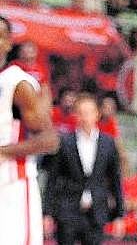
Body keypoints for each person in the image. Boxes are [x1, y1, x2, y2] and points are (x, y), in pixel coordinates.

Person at [0, 15, 59, 245]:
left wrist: (4, 151)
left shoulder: (16, 83)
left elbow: (50, 140)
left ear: (8, 43)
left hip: (11, 187)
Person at [43, 93, 124, 245]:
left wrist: (119, 215)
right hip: (68, 211)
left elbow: (115, 179)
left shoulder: (108, 143)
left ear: (97, 114)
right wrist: (47, 212)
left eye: (88, 112)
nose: (85, 117)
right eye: (81, 113)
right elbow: (52, 179)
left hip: (96, 212)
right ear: (75, 115)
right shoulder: (65, 142)